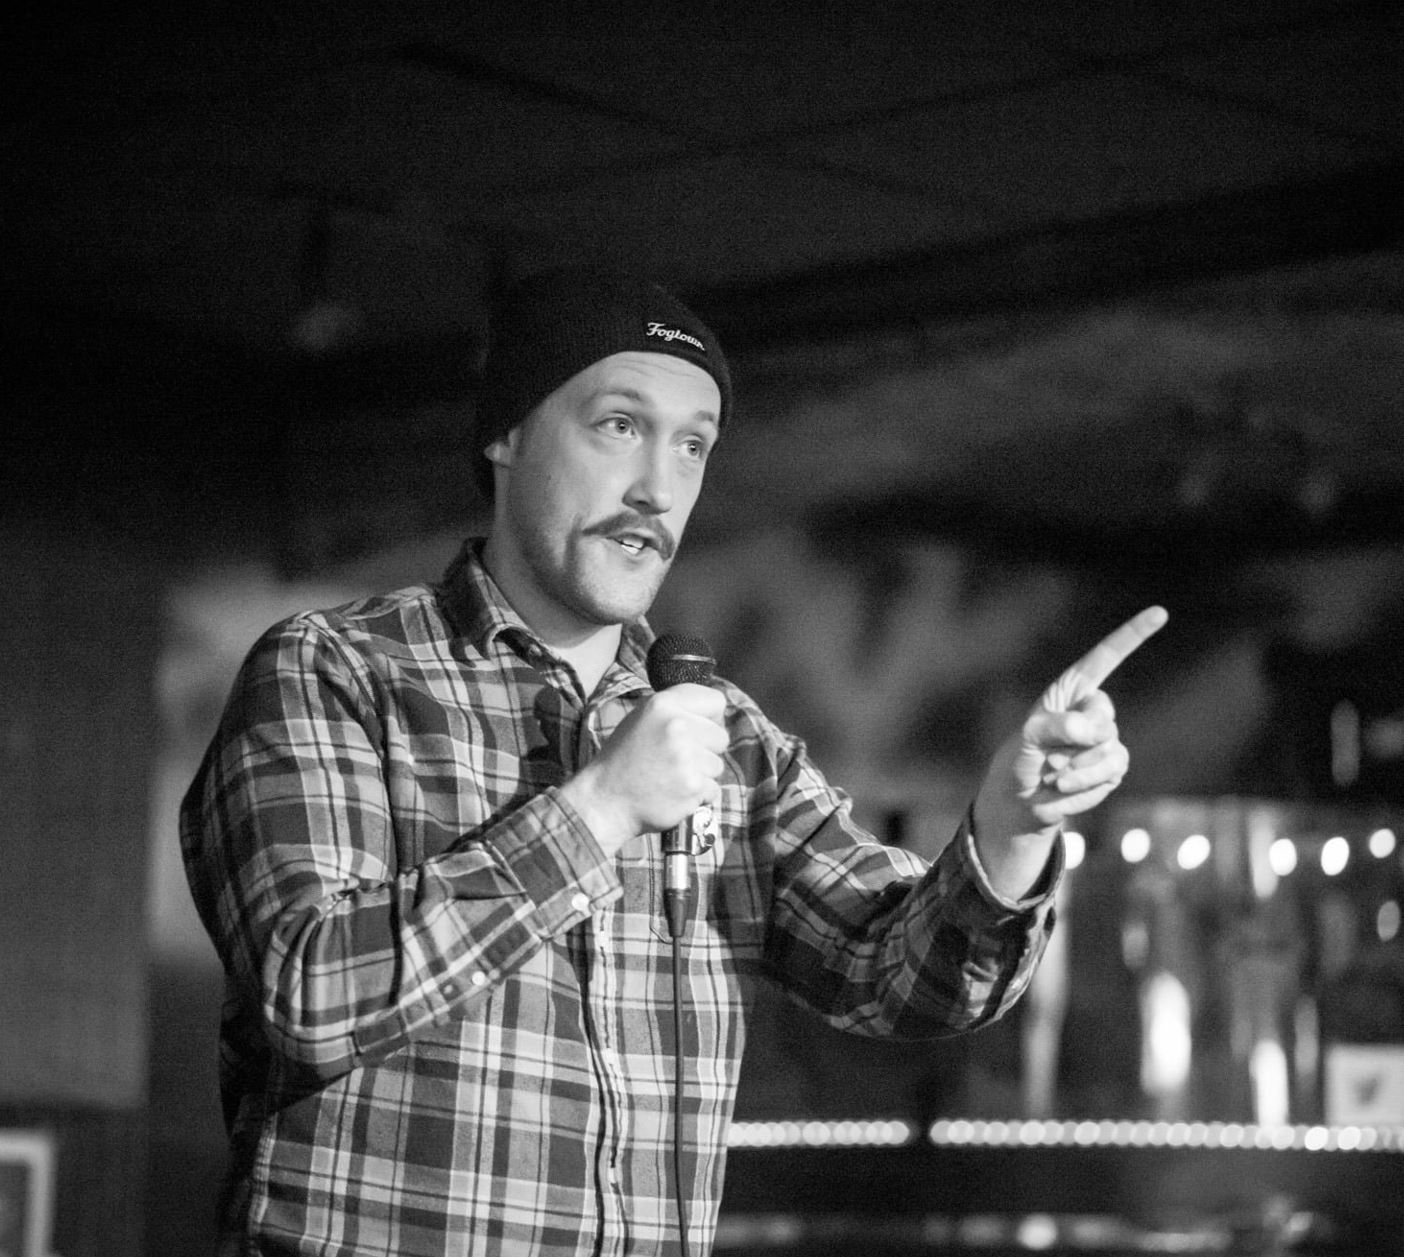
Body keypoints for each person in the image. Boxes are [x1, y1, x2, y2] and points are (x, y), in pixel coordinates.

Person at [180, 266, 1166, 1256]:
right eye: (619, 425)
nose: (658, 485)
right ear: (508, 434)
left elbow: (901, 978)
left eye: (692, 445)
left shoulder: (724, 736)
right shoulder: (339, 668)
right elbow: (307, 991)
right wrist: (598, 811)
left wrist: (1009, 828)